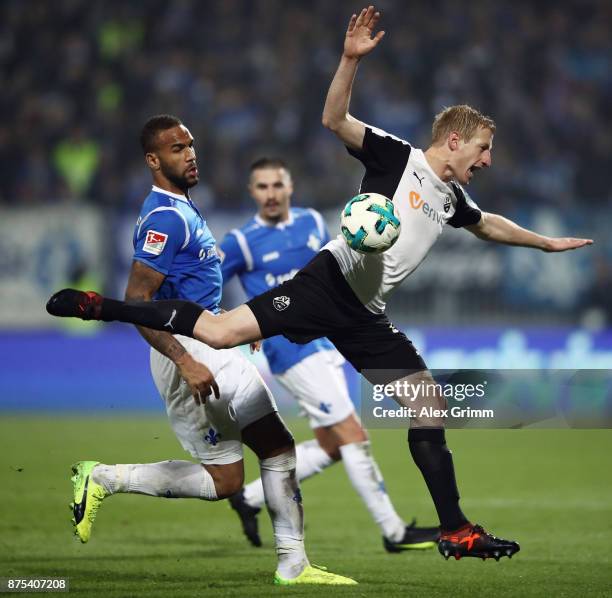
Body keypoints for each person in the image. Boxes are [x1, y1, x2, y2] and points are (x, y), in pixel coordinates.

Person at [47, 8, 593, 561]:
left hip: (365, 314)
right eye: (482, 150)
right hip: (325, 284)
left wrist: (544, 243)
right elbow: (335, 119)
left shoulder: (451, 198)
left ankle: (455, 529)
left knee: (427, 405)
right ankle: (104, 308)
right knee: (217, 334)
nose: (489, 160)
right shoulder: (395, 155)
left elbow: (487, 223)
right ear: (455, 140)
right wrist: (350, 59)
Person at [60, 115, 356, 587]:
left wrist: (237, 325)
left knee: (230, 481)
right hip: (189, 354)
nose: (190, 153)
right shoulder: (164, 218)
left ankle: (104, 478)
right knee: (275, 447)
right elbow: (139, 303)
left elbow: (199, 293)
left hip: (211, 342)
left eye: (191, 145)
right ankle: (292, 564)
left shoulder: (184, 206)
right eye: (177, 149)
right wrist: (186, 360)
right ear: (153, 161)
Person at [220, 157, 438, 551]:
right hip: (289, 350)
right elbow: (211, 283)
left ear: (290, 188)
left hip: (327, 342)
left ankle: (248, 499)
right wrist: (238, 322)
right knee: (353, 434)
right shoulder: (240, 241)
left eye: (277, 185)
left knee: (333, 445)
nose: (271, 194)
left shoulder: (313, 224)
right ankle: (395, 532)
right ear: (252, 192)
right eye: (262, 187)